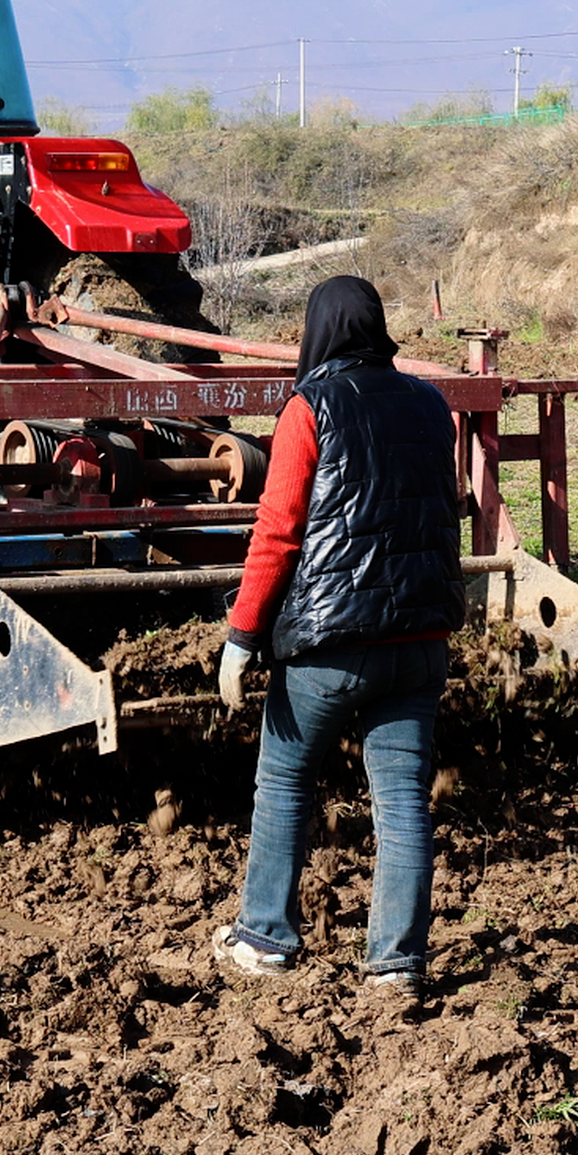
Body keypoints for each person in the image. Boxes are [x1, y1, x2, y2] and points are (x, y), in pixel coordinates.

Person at [211, 276, 463, 995]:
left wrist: (241, 636)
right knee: (403, 800)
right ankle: (395, 964)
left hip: (331, 646)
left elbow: (279, 531)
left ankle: (264, 939)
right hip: (419, 641)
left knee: (285, 780)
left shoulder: (309, 406)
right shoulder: (429, 404)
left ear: (318, 332)